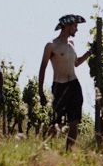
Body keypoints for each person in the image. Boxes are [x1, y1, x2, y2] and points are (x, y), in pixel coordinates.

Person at [39, 14, 91, 151]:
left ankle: (69, 152)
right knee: (57, 123)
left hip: (74, 84)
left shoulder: (72, 44)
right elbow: (43, 67)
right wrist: (40, 92)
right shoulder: (51, 45)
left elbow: (76, 63)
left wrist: (89, 52)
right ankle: (44, 150)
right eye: (75, 26)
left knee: (74, 122)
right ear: (67, 26)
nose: (77, 30)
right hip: (59, 86)